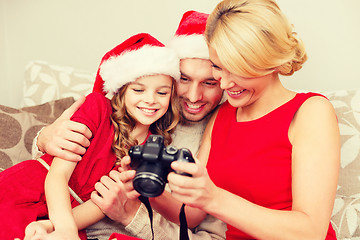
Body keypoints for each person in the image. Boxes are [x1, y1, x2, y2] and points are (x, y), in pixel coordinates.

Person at [30, 11, 227, 240]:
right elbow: (66, 161)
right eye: (184, 79)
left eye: (209, 82)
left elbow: (202, 228)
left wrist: (133, 215)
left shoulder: (221, 133)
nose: (194, 96)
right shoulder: (139, 116)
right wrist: (43, 138)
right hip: (60, 211)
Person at [165, 0, 341, 239]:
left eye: (237, 70)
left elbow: (310, 231)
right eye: (218, 67)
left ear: (270, 62)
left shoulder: (310, 111)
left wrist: (215, 198)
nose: (225, 84)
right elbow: (193, 213)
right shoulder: (222, 115)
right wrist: (143, 188)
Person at [0, 32, 181, 240]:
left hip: (70, 216)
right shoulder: (97, 107)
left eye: (162, 93)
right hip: (30, 190)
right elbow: (57, 176)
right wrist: (65, 229)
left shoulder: (151, 149)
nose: (150, 100)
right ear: (122, 90)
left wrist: (52, 227)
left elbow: (100, 204)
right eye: (138, 90)